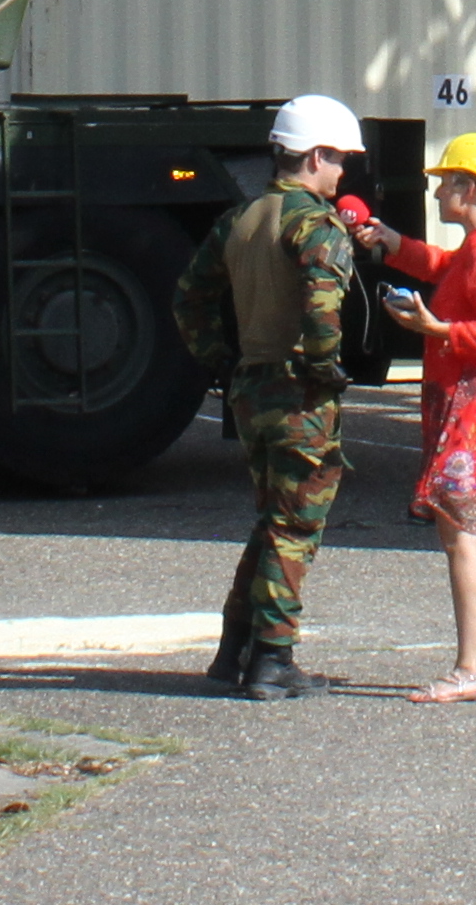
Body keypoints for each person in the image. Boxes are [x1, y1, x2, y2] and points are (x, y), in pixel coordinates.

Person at [176, 90, 365, 702]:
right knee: (295, 528)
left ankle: (235, 652)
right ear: (315, 156)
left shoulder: (242, 218)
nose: (343, 173)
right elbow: (321, 303)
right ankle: (273, 661)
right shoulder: (314, 224)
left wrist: (221, 360)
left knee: (270, 521)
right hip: (296, 393)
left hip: (251, 387)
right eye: (339, 160)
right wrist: (324, 368)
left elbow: (189, 297)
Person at [355, 132, 476, 703]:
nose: (435, 192)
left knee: (459, 535)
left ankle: (469, 669)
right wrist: (393, 243)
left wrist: (435, 331)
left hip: (470, 409)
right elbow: (444, 266)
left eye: (443, 183)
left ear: (466, 186)